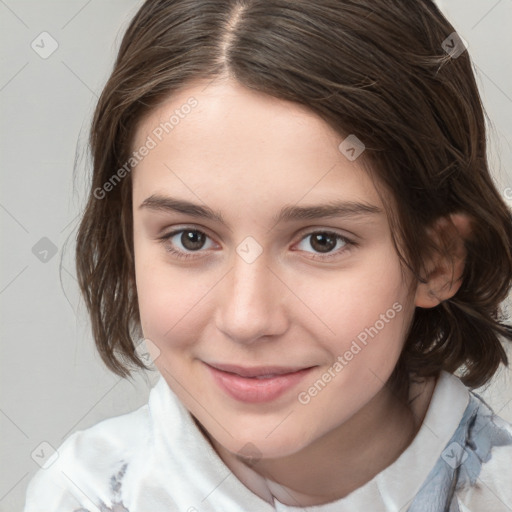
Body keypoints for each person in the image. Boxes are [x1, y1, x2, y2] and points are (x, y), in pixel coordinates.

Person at [24, 0, 512, 510]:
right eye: (190, 238)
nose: (246, 319)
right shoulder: (79, 496)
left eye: (322, 241)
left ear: (436, 261)